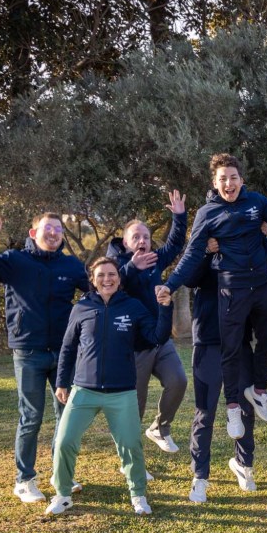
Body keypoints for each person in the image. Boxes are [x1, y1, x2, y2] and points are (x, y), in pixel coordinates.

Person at [156, 154, 267, 439]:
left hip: (261, 285)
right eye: (223, 178)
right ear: (215, 182)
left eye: (233, 177)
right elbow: (191, 254)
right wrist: (170, 285)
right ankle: (233, 407)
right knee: (231, 348)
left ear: (241, 180)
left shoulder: (256, 201)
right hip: (232, 288)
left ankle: (259, 390)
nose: (228, 183)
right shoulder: (207, 213)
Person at [0, 205, 89, 503]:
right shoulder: (15, 261)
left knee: (67, 416)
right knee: (31, 417)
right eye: (48, 229)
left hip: (63, 353)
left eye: (58, 230)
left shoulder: (71, 266)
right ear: (34, 233)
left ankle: (61, 473)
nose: (54, 234)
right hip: (28, 351)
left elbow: (95, 291)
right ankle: (25, 480)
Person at [45, 257, 173, 516]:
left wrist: (166, 308)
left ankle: (138, 494)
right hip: (84, 390)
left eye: (112, 274)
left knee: (131, 446)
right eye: (101, 275)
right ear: (93, 280)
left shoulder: (133, 306)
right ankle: (63, 494)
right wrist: (61, 382)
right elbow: (68, 347)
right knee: (64, 441)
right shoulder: (81, 308)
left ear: (119, 278)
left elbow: (156, 337)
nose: (107, 279)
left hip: (122, 391)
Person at [105, 191, 188, 453]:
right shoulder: (115, 264)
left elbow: (175, 245)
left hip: (160, 339)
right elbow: (110, 286)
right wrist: (132, 267)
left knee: (178, 381)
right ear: (125, 242)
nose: (142, 241)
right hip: (133, 346)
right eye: (136, 237)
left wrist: (179, 216)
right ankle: (129, 456)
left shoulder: (154, 259)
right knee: (135, 404)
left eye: (146, 237)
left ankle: (160, 428)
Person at [182, 238, 264, 503]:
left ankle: (243, 464)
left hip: (238, 343)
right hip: (207, 342)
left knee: (245, 407)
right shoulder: (204, 248)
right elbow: (188, 278)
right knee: (205, 411)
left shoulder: (246, 249)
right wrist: (207, 251)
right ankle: (200, 476)